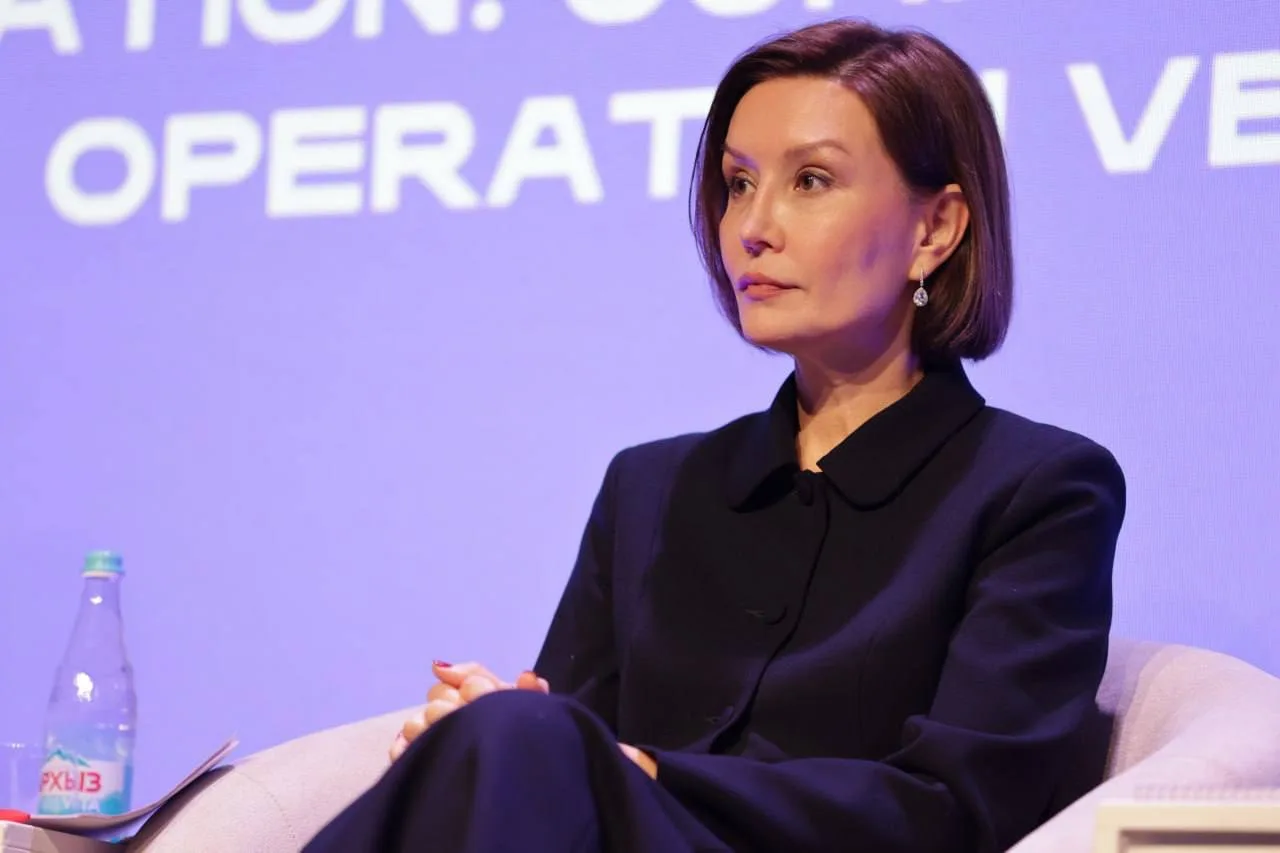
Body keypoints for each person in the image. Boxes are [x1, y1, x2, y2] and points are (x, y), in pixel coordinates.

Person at [304, 16, 1125, 853]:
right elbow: (571, 747)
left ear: (934, 230)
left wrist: (639, 770)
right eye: (738, 183)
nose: (752, 227)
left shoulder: (1040, 489)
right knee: (497, 737)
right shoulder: (650, 488)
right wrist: (499, 731)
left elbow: (959, 805)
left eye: (810, 180)